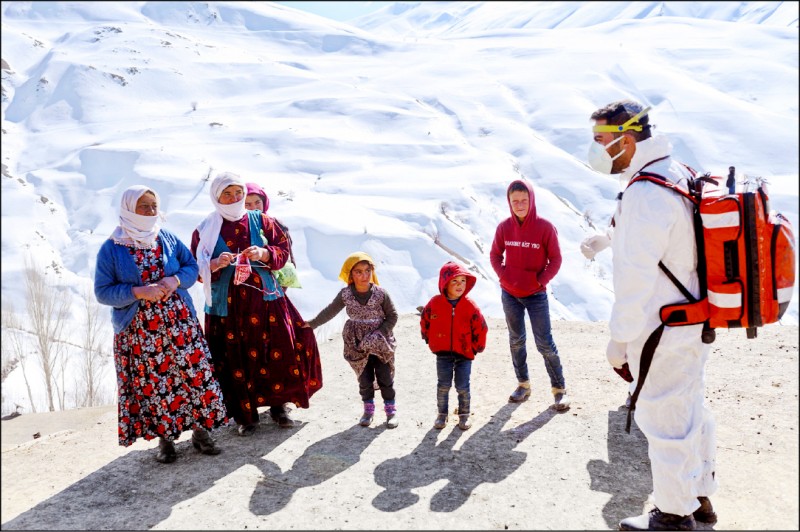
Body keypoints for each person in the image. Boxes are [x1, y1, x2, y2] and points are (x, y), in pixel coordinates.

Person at [588, 99, 717, 530]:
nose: (596, 149)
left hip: (662, 325)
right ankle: (697, 497)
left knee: (663, 416)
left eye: (601, 140)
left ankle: (673, 515)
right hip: (692, 318)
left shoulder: (645, 191)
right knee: (688, 408)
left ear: (626, 139)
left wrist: (619, 340)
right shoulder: (672, 172)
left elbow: (634, 281)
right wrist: (607, 238)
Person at [94, 185, 228, 464]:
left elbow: (191, 267)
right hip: (140, 331)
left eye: (154, 206)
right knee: (156, 383)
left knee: (193, 375)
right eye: (144, 206)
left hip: (180, 324)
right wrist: (137, 292)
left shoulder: (165, 237)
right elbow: (103, 291)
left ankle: (201, 431)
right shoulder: (112, 248)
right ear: (129, 209)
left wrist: (175, 281)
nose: (151, 212)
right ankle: (165, 439)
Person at [191, 172, 322, 436]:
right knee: (233, 357)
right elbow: (194, 269)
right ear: (216, 196)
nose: (234, 198)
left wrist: (264, 253)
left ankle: (278, 406)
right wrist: (215, 264)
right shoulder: (204, 229)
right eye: (227, 193)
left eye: (238, 192)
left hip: (265, 300)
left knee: (275, 349)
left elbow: (283, 250)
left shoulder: (262, 221)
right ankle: (244, 415)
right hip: (226, 307)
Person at [489, 178, 570, 411]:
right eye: (515, 201)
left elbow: (555, 259)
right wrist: (504, 277)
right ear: (509, 202)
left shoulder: (544, 227)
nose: (520, 205)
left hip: (536, 295)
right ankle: (523, 385)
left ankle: (559, 390)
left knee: (544, 343)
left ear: (531, 200)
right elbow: (495, 255)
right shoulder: (504, 227)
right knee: (516, 341)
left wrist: (539, 281)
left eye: (524, 200)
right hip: (510, 294)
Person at [306, 252, 399, 428]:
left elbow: (392, 316)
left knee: (384, 376)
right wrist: (311, 324)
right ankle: (368, 410)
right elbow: (330, 311)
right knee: (364, 378)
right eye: (358, 271)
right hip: (355, 343)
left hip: (380, 342)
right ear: (350, 274)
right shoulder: (345, 294)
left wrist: (381, 332)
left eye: (367, 270)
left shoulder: (381, 294)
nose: (364, 275)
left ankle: (390, 411)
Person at [420, 261, 488, 431]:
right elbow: (425, 321)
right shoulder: (435, 303)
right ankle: (442, 415)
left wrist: (477, 347)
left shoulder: (470, 306)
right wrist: (429, 339)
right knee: (443, 385)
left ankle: (464, 415)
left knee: (462, 386)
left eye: (463, 281)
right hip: (442, 353)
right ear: (445, 283)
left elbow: (481, 327)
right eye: (454, 281)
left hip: (464, 353)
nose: (460, 285)